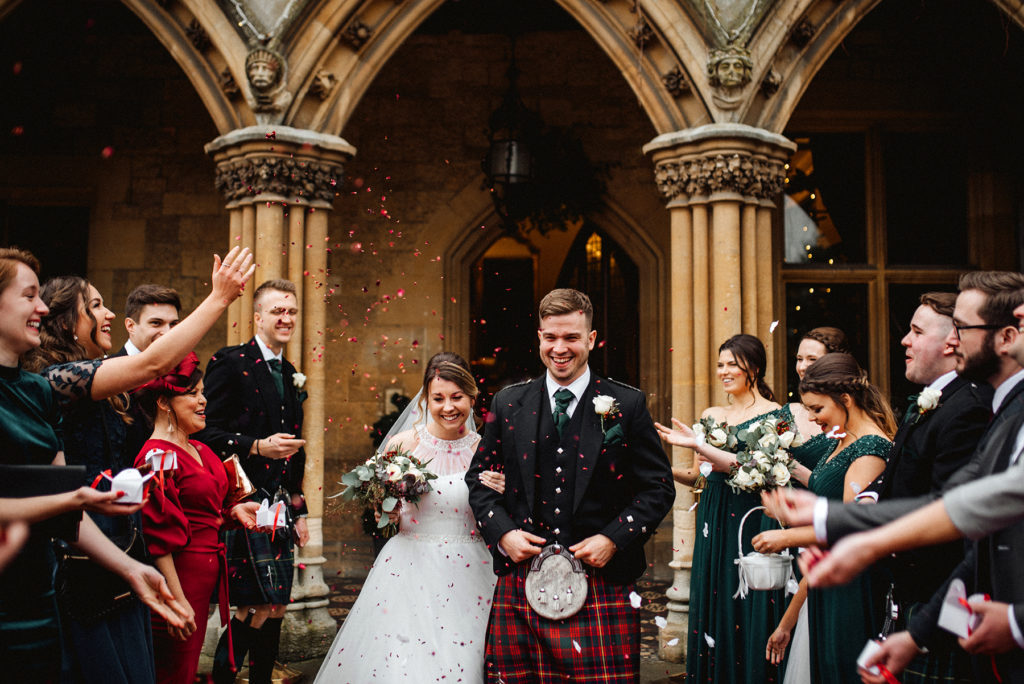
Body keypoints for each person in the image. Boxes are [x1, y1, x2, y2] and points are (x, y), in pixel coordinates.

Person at [766, 272, 1024, 683]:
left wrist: (1015, 621)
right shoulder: (989, 407)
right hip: (934, 609)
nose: (905, 340)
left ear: (1009, 334)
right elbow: (970, 509)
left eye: (961, 327)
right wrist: (916, 632)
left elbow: (965, 514)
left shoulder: (984, 409)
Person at [0, 247, 208, 681]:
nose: (40, 306)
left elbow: (62, 503)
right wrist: (220, 297)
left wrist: (132, 568)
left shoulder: (34, 393)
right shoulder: (54, 381)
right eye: (29, 296)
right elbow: (62, 498)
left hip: (43, 588)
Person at [466, 288, 675, 682]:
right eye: (550, 337)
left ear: (592, 340)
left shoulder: (625, 405)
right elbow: (478, 481)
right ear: (540, 337)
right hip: (523, 580)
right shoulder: (508, 404)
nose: (560, 348)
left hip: (603, 581)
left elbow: (659, 487)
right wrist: (504, 533)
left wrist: (612, 538)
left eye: (571, 338)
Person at [316, 352, 500, 682]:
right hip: (409, 568)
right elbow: (377, 512)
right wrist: (383, 501)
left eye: (457, 397)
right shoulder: (403, 445)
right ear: (425, 399)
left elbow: (499, 512)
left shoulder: (485, 450)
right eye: (438, 398)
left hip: (472, 569)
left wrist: (503, 489)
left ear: (472, 397)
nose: (448, 407)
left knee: (468, 658)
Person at [755, 353, 894, 684]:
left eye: (818, 409)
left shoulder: (870, 449)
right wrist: (788, 622)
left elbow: (850, 529)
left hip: (851, 589)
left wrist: (786, 536)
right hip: (825, 579)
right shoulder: (840, 440)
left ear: (845, 399)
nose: (814, 419)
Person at [199, 279, 309, 684]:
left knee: (276, 604)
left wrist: (300, 510)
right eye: (277, 311)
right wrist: (257, 446)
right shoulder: (230, 362)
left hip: (280, 507)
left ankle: (261, 678)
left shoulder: (292, 373)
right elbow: (203, 431)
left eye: (292, 311)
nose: (286, 318)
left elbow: (296, 451)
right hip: (245, 502)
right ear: (257, 317)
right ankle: (223, 678)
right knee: (253, 606)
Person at [656, 333, 782, 684]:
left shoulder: (777, 416)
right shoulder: (712, 415)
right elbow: (699, 475)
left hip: (750, 517)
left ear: (754, 368)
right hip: (714, 515)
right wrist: (658, 469)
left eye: (732, 364)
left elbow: (774, 473)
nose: (723, 371)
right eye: (720, 364)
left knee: (747, 596)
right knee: (714, 592)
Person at [132, 353, 262, 683]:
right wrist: (176, 600)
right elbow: (157, 536)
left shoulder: (200, 449)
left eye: (202, 392)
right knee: (172, 672)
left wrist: (232, 511)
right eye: (192, 393)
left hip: (204, 580)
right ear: (163, 402)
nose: (203, 400)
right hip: (179, 579)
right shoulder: (155, 456)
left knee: (185, 672)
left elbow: (203, 509)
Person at [763, 327, 848, 684]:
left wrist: (793, 469)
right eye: (798, 358)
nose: (802, 365)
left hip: (823, 537)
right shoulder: (789, 412)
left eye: (811, 358)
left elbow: (845, 508)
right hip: (797, 525)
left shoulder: (852, 436)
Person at [116, 284, 183, 481]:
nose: (167, 332)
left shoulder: (181, 373)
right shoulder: (109, 372)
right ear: (130, 325)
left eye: (173, 324)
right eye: (156, 323)